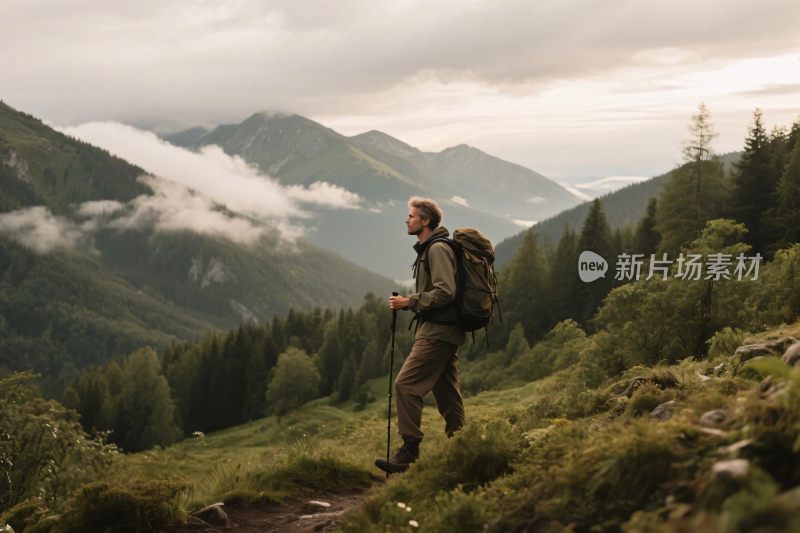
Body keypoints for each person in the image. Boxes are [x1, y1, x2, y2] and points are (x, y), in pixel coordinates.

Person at [375, 196, 466, 474]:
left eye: (411, 216)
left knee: (406, 385)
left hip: (437, 332)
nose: (407, 220)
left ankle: (409, 452)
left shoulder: (437, 249)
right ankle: (463, 448)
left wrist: (409, 302)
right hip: (444, 331)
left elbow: (445, 292)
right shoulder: (431, 248)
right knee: (447, 394)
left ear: (425, 221)